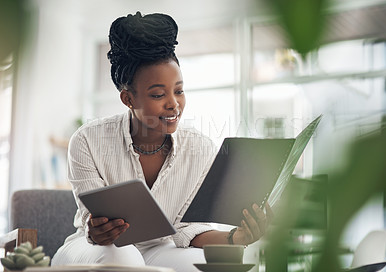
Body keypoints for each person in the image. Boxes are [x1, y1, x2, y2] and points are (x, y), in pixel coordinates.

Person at [52, 12, 272, 272]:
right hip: (95, 249)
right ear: (128, 99)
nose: (173, 104)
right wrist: (98, 229)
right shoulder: (88, 141)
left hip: (160, 249)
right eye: (158, 94)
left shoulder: (199, 149)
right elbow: (93, 223)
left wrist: (237, 238)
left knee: (213, 265)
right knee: (126, 258)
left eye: (178, 90)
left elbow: (187, 230)